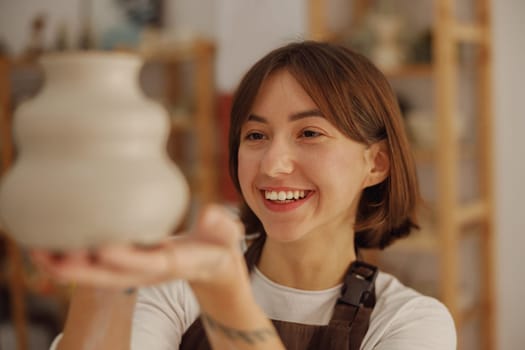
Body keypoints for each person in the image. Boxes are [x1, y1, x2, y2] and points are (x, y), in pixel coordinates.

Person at [33, 41, 456, 349]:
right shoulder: (174, 277)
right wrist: (101, 284)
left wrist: (224, 295)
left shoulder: (411, 323)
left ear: (376, 164)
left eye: (309, 133)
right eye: (255, 135)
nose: (272, 165)